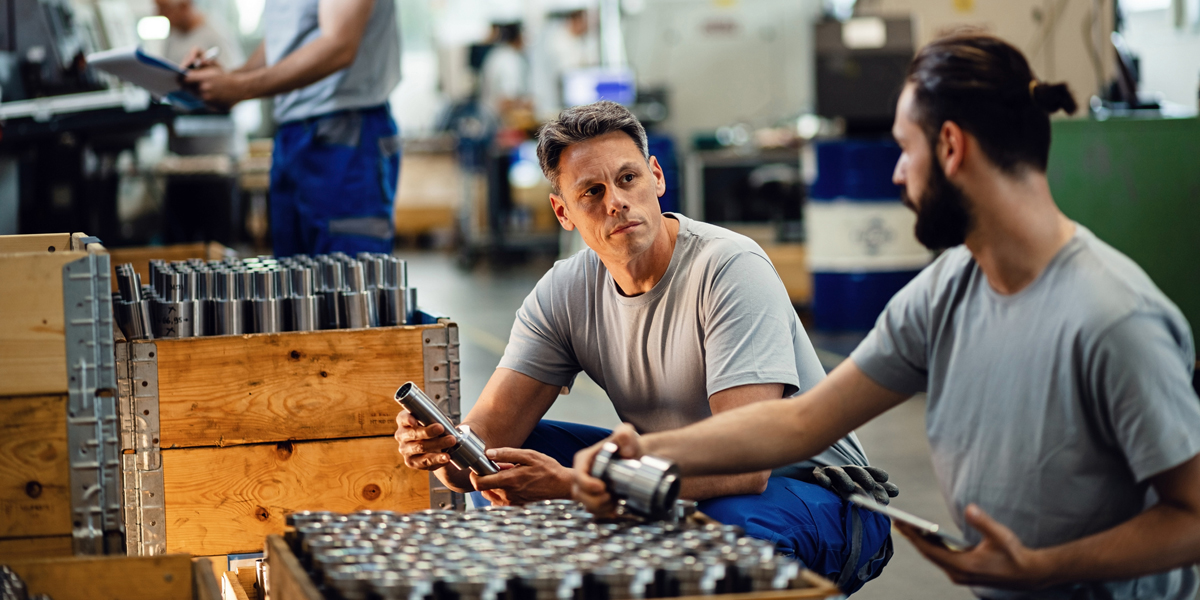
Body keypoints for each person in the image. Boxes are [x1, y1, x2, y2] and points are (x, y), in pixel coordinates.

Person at [571, 34, 1200, 599]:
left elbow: (1193, 516)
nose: (897, 173)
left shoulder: (1113, 319)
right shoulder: (948, 290)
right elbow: (802, 422)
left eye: (905, 149)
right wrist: (648, 452)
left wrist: (1045, 567)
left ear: (950, 147)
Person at [396, 101, 895, 593]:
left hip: (817, 497)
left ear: (656, 177)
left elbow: (746, 466)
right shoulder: (564, 291)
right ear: (562, 212)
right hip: (681, 481)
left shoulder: (728, 268)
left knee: (717, 532)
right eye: (591, 191)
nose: (615, 201)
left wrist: (576, 484)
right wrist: (444, 450)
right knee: (512, 459)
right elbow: (485, 445)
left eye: (628, 178)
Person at [182, 0, 401, 256]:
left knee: (349, 282)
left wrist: (239, 88)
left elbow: (339, 45)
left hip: (345, 133)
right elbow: (284, 39)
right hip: (291, 132)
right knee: (293, 282)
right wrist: (230, 78)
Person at [155, 0, 243, 68]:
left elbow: (230, 74)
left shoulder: (216, 34)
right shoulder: (173, 34)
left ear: (184, 6)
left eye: (164, 9)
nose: (158, 14)